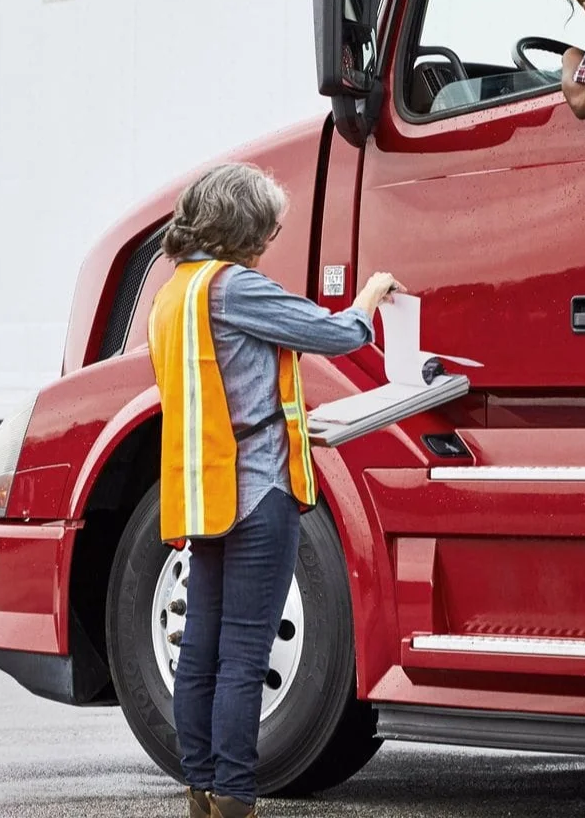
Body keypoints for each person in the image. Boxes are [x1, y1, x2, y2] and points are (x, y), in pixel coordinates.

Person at [146, 162, 402, 818]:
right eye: (267, 230)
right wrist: (370, 296)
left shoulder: (175, 293)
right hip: (259, 494)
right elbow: (337, 334)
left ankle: (201, 789)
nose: (270, 242)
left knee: (199, 647)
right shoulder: (235, 287)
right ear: (241, 231)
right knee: (243, 654)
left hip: (202, 494)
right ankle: (237, 796)